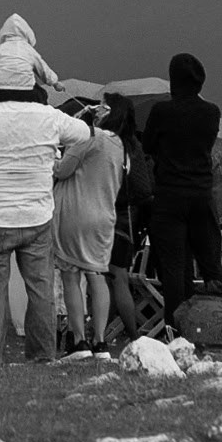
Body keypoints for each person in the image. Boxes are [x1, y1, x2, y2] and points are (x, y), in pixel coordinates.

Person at [0, 81, 92, 367]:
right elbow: (83, 134)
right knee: (41, 287)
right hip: (37, 214)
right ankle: (42, 353)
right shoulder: (46, 114)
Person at [140, 54, 221, 332]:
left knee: (174, 266)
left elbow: (148, 145)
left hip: (170, 195)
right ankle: (216, 322)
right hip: (201, 194)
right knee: (209, 261)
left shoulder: (163, 111)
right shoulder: (212, 112)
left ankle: (176, 329)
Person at [52, 98, 125, 354]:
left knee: (71, 277)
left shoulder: (84, 140)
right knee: (97, 276)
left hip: (75, 214)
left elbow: (61, 171)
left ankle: (79, 340)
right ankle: (101, 340)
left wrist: (52, 154)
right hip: (104, 217)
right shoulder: (118, 144)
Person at [102, 95, 152, 347]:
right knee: (112, 279)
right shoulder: (132, 145)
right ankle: (101, 335)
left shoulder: (102, 142)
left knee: (113, 279)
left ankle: (131, 336)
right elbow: (144, 190)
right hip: (124, 222)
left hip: (109, 218)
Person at [0, 12, 60, 95]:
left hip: (0, 90)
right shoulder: (28, 50)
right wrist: (55, 83)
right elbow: (43, 69)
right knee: (41, 94)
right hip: (26, 89)